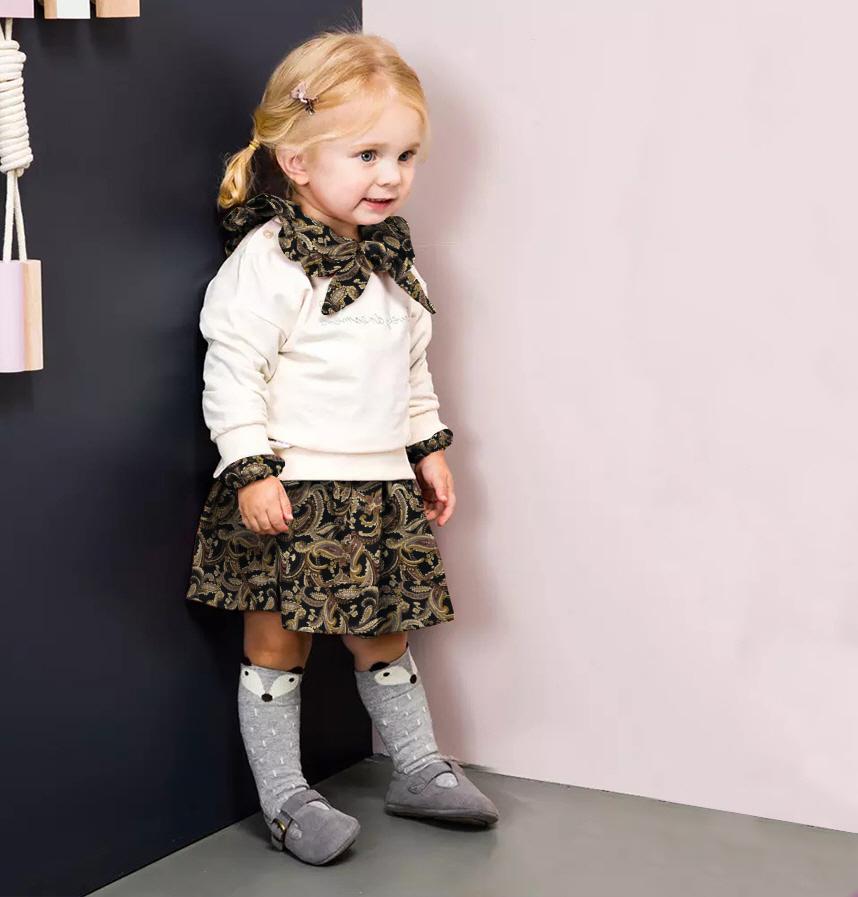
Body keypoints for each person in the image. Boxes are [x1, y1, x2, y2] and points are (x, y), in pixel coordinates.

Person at [184, 29, 499, 866]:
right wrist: (251, 468)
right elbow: (233, 370)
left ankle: (418, 766)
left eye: (405, 155)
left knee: (386, 634)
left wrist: (426, 448)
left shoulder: (394, 264)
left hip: (378, 491)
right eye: (367, 154)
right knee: (277, 644)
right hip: (291, 490)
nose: (391, 175)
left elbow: (411, 368)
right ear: (296, 160)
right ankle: (286, 798)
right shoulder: (268, 261)